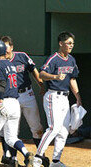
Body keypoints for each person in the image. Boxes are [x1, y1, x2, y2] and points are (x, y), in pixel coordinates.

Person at [33, 31, 81, 167]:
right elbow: (41, 73)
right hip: (53, 96)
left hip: (65, 97)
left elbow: (72, 79)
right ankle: (37, 157)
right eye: (68, 43)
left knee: (64, 130)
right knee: (54, 128)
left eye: (72, 43)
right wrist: (54, 77)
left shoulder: (71, 59)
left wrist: (78, 97)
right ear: (61, 43)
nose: (71, 45)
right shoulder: (53, 58)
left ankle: (55, 161)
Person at [0, 40, 34, 167]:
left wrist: (0, 102)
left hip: (3, 101)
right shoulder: (10, 64)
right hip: (15, 102)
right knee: (11, 138)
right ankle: (26, 153)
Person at [0, 36, 49, 166]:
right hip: (11, 97)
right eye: (2, 48)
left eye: (7, 47)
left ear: (12, 47)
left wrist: (41, 85)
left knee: (36, 127)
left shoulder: (22, 56)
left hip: (27, 94)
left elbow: (33, 70)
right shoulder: (0, 62)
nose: (5, 50)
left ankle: (40, 155)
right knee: (12, 130)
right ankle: (13, 158)